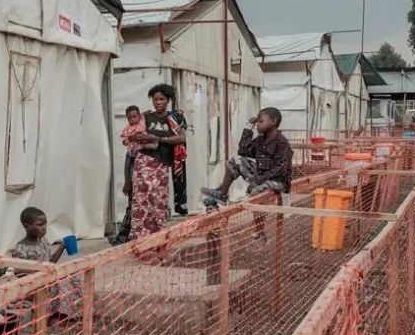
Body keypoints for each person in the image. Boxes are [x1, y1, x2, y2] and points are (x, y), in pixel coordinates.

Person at [125, 84, 187, 242]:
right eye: (155, 99)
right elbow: (130, 134)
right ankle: (140, 241)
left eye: (162, 99)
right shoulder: (145, 117)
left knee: (157, 203)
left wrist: (159, 139)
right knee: (140, 203)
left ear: (168, 100)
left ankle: (157, 240)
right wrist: (137, 137)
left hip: (161, 165)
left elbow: (181, 138)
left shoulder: (175, 118)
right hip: (143, 163)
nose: (158, 102)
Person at [201, 107, 294, 204]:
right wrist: (248, 127)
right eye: (257, 122)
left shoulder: (281, 142)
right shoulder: (260, 140)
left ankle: (259, 218)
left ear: (273, 121)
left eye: (261, 121)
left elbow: (280, 169)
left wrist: (258, 181)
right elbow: (243, 151)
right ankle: (222, 194)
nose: (257, 124)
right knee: (235, 161)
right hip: (262, 177)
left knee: (255, 192)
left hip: (279, 182)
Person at [3, 207, 83, 320]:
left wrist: (62, 246)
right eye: (40, 225)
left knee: (74, 275)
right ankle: (61, 314)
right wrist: (39, 271)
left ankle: (74, 310)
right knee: (63, 282)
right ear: (27, 226)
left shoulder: (44, 241)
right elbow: (19, 273)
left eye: (45, 224)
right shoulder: (21, 247)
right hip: (34, 286)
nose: (44, 228)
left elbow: (50, 262)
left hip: (48, 280)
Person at [115, 105, 154, 245]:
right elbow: (127, 162)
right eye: (129, 118)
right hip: (134, 179)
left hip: (147, 182)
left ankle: (144, 234)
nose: (132, 120)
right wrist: (127, 182)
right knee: (132, 205)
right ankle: (125, 234)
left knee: (147, 206)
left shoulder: (149, 141)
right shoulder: (132, 146)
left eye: (135, 117)